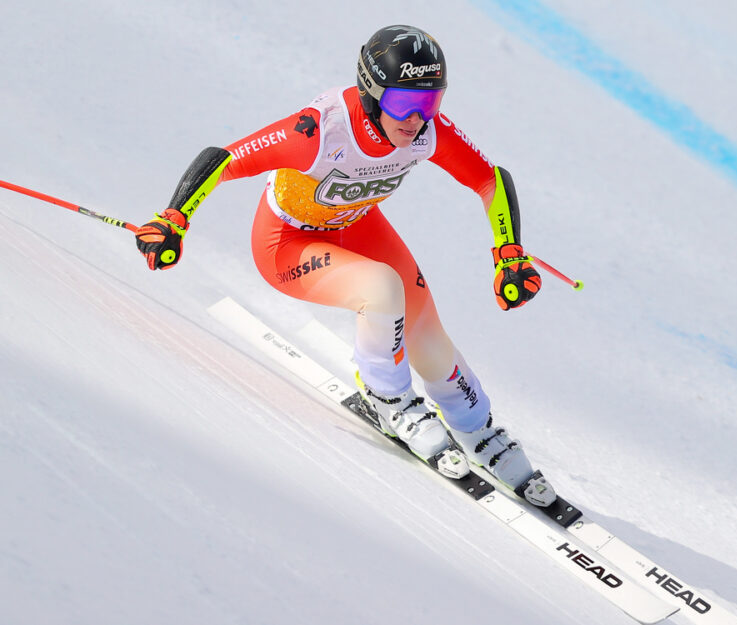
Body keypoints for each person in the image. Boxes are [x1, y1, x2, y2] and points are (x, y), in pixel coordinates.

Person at [134, 25, 555, 506]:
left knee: (424, 326)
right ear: (372, 91)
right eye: (404, 103)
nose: (417, 120)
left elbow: (490, 180)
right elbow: (223, 158)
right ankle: (389, 399)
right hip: (287, 243)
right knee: (380, 288)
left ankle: (476, 426)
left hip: (355, 222)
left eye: (429, 104)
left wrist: (508, 251)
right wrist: (174, 217)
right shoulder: (320, 129)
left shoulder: (426, 131)